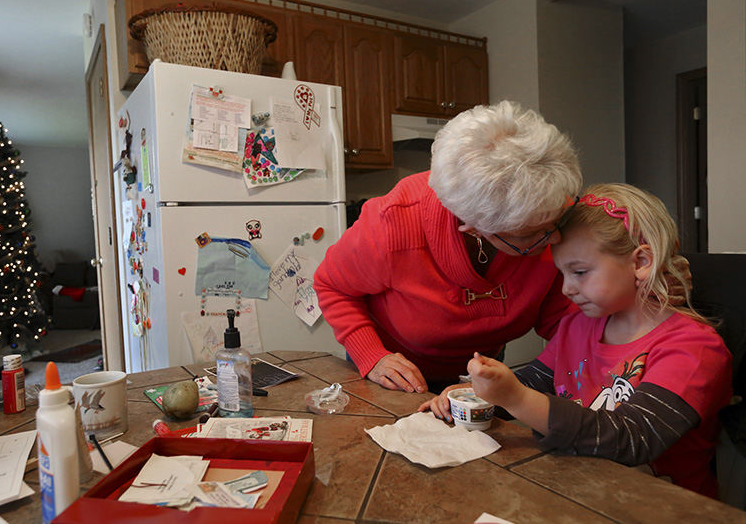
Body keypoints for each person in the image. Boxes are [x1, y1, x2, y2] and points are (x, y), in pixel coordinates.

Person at [421, 183, 732, 498]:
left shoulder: (695, 349)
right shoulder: (578, 326)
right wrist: (476, 393)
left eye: (580, 272)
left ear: (640, 263)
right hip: (579, 490)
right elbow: (532, 383)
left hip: (662, 506)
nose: (567, 288)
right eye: (562, 274)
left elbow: (633, 438)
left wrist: (514, 398)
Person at [314, 101, 584, 393]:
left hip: (480, 370)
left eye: (558, 219)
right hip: (398, 377)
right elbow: (332, 285)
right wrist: (371, 355)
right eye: (534, 234)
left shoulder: (550, 219)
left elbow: (564, 319)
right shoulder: (394, 222)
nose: (556, 239)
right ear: (474, 228)